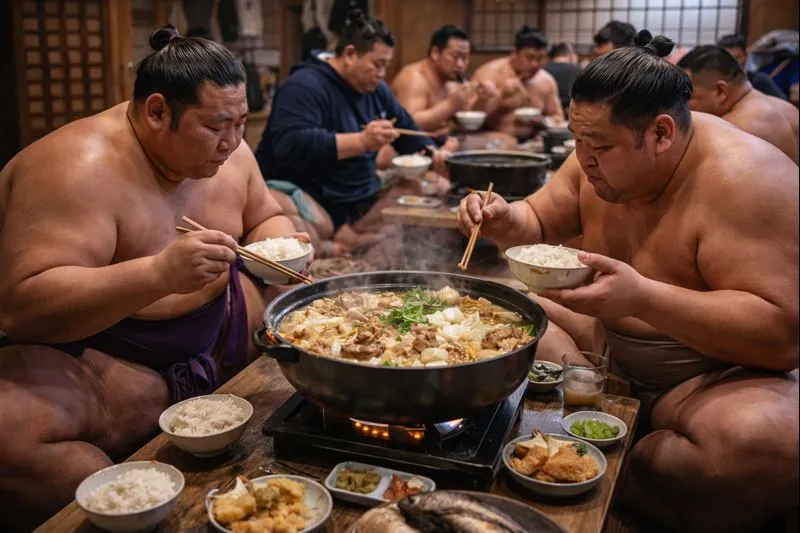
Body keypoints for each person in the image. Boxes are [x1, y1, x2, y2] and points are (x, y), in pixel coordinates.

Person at [458, 31, 798, 533]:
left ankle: (594, 463)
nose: (582, 157)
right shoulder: (594, 152)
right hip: (601, 349)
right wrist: (505, 219)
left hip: (708, 378)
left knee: (767, 443)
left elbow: (785, 334)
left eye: (598, 145)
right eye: (576, 140)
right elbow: (538, 218)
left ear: (661, 133)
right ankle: (593, 450)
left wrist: (644, 296)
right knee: (492, 309)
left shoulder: (750, 179)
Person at [0, 26, 308, 530]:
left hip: (225, 327)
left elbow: (264, 215)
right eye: (216, 127)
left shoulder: (229, 148)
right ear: (158, 111)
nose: (232, 143)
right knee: (9, 430)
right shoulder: (76, 167)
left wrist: (283, 242)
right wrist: (158, 273)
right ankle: (136, 511)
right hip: (110, 364)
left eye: (241, 123)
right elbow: (22, 306)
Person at [256, 10, 454, 237]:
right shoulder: (303, 86)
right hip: (315, 196)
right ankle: (340, 240)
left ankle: (354, 236)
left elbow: (407, 132)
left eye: (386, 66)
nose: (382, 74)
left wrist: (432, 154)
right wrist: (361, 141)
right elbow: (290, 146)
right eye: (377, 64)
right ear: (350, 54)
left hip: (362, 196)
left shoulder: (377, 89)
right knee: (303, 227)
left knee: (432, 184)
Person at [678, 45, 799, 164]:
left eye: (687, 95)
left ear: (721, 91)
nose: (682, 103)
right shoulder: (789, 109)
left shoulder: (732, 128)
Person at [472, 26, 564, 141]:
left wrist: (543, 121)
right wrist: (501, 95)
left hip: (533, 142)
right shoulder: (489, 74)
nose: (535, 64)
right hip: (493, 139)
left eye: (540, 58)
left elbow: (557, 117)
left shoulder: (546, 80)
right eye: (529, 57)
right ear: (514, 53)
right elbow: (471, 116)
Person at [717, 34, 788, 99]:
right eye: (727, 58)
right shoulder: (715, 82)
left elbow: (785, 105)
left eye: (737, 57)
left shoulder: (759, 79)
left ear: (746, 56)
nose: (733, 63)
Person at [544, 42, 582, 115]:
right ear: (570, 54)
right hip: (574, 115)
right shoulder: (579, 71)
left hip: (550, 116)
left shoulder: (543, 71)